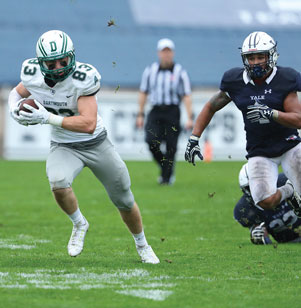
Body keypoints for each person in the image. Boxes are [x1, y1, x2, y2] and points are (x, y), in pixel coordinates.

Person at [8, 30, 159, 264]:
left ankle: (142, 245)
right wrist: (12, 109)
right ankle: (79, 224)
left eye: (63, 60)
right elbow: (16, 93)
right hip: (63, 145)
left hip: (96, 144)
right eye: (51, 62)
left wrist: (47, 117)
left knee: (124, 200)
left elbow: (88, 124)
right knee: (57, 181)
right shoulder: (32, 74)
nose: (58, 67)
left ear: (72, 57)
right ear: (40, 62)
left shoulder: (83, 77)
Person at [185, 31, 301, 216]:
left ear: (271, 55)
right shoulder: (236, 81)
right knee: (264, 200)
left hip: (289, 145)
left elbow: (299, 119)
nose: (255, 62)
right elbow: (211, 106)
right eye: (251, 57)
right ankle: (289, 190)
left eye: (260, 57)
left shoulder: (284, 79)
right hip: (260, 150)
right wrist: (194, 138)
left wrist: (272, 114)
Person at [136, 38, 193, 185]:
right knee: (151, 141)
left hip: (172, 111)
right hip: (155, 111)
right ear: (158, 53)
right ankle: (164, 168)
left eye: (168, 52)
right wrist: (140, 114)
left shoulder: (180, 72)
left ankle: (166, 178)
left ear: (172, 53)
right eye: (163, 52)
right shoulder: (150, 71)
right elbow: (143, 92)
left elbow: (186, 95)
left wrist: (189, 117)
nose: (166, 55)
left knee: (171, 146)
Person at [235, 163, 301, 245]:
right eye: (252, 187)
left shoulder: (285, 182)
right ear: (245, 190)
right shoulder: (244, 209)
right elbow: (262, 237)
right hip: (289, 242)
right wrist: (259, 236)